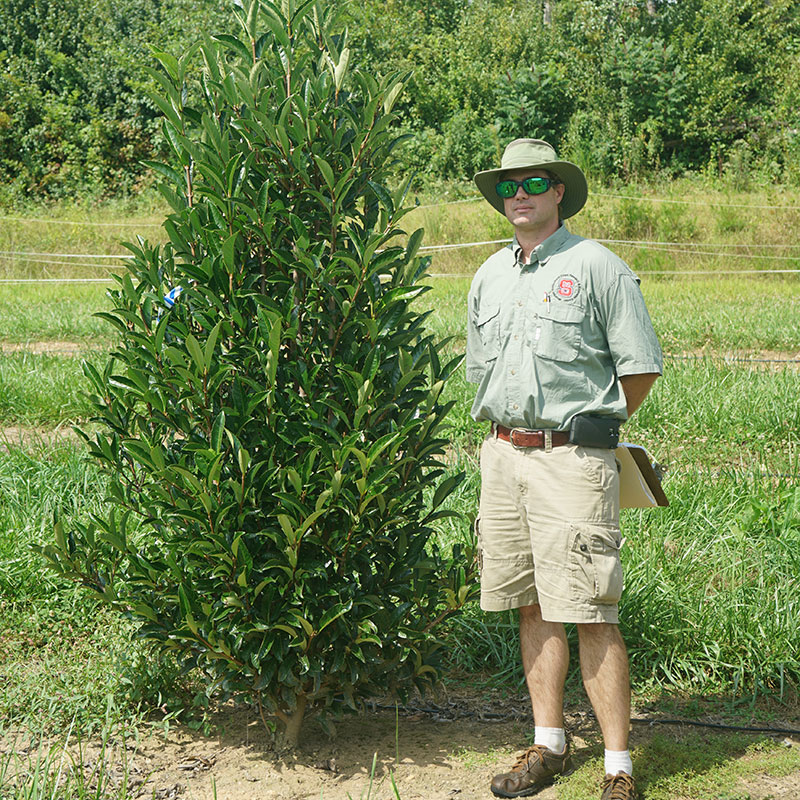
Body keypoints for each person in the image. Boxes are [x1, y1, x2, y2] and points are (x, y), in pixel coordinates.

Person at [466, 139, 662, 800]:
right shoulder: (488, 276)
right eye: (506, 187)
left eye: (532, 182)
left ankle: (617, 766)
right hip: (501, 457)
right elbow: (481, 373)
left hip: (572, 461)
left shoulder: (598, 267)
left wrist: (587, 431)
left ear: (558, 192)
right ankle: (547, 744)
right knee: (531, 604)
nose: (517, 194)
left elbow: (639, 369)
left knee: (591, 608)